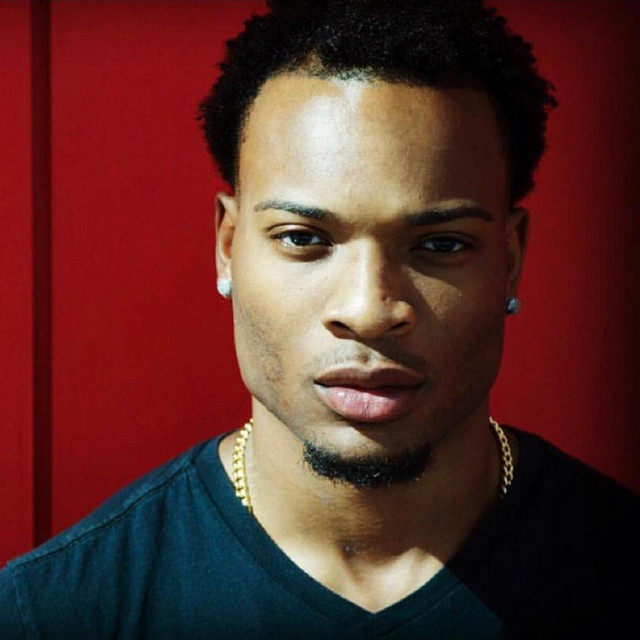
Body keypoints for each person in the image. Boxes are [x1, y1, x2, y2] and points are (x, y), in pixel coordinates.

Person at [1, 0, 638, 637]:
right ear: (228, 247)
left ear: (510, 259)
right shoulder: (53, 614)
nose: (369, 311)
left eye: (441, 244)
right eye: (304, 238)